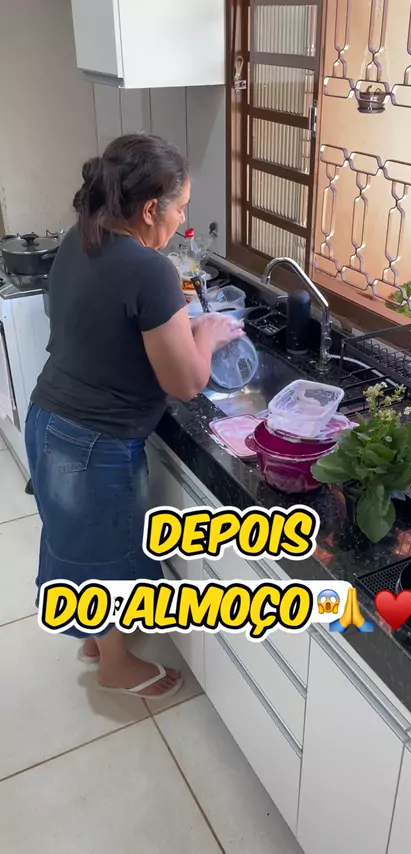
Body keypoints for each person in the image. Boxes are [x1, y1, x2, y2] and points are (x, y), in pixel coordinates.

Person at [25, 133, 243, 699]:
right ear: (150, 209)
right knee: (112, 553)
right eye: (181, 206)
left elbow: (109, 327)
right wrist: (206, 333)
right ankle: (115, 666)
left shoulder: (81, 237)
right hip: (93, 442)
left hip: (48, 420)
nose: (182, 217)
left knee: (76, 538)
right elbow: (186, 382)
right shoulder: (150, 270)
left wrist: (178, 326)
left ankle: (97, 641)